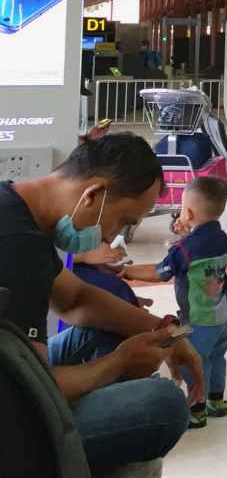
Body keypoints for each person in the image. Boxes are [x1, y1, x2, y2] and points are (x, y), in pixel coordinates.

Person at [0, 133, 201, 469]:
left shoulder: (15, 207)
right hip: (11, 415)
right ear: (93, 194)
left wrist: (169, 334)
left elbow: (76, 299)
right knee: (163, 405)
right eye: (123, 220)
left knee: (104, 331)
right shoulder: (16, 245)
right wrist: (118, 364)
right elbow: (31, 390)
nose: (110, 237)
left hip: (13, 371)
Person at [122, 177, 227, 429]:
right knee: (216, 358)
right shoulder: (221, 238)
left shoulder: (183, 249)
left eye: (182, 209)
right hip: (222, 318)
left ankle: (196, 410)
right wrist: (188, 233)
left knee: (191, 362)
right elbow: (199, 253)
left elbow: (160, 272)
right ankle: (217, 401)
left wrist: (128, 273)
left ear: (189, 212)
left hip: (197, 322)